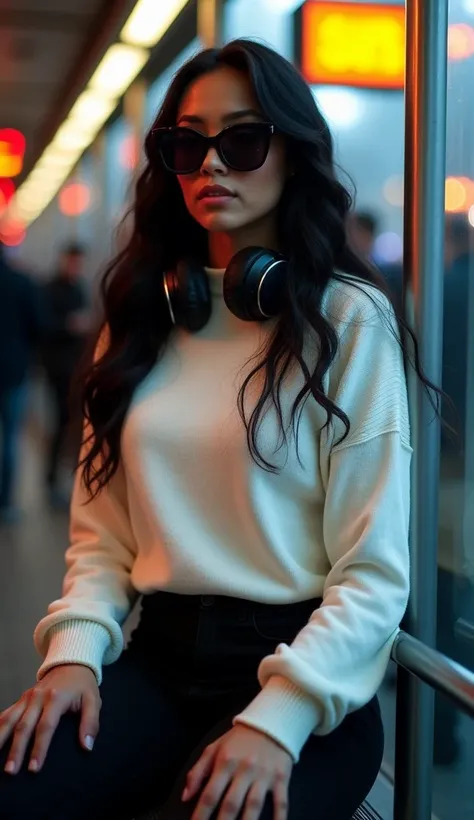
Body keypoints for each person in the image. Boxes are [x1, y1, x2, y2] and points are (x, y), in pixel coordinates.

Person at [0, 40, 436, 820]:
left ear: (293, 153)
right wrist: (72, 657)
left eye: (242, 139)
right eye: (187, 143)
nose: (212, 164)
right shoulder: (142, 317)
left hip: (305, 673)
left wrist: (279, 719)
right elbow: (102, 540)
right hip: (157, 662)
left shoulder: (346, 320)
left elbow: (373, 576)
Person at [41, 242, 91, 508]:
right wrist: (68, 325)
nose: (76, 267)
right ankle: (51, 480)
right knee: (61, 423)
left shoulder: (80, 289)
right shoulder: (50, 290)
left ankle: (74, 478)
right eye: (73, 261)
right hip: (58, 369)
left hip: (77, 367)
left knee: (76, 425)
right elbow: (43, 326)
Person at [0, 241, 43, 523]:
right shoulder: (21, 282)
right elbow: (38, 324)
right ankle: (5, 504)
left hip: (14, 368)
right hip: (14, 370)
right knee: (11, 439)